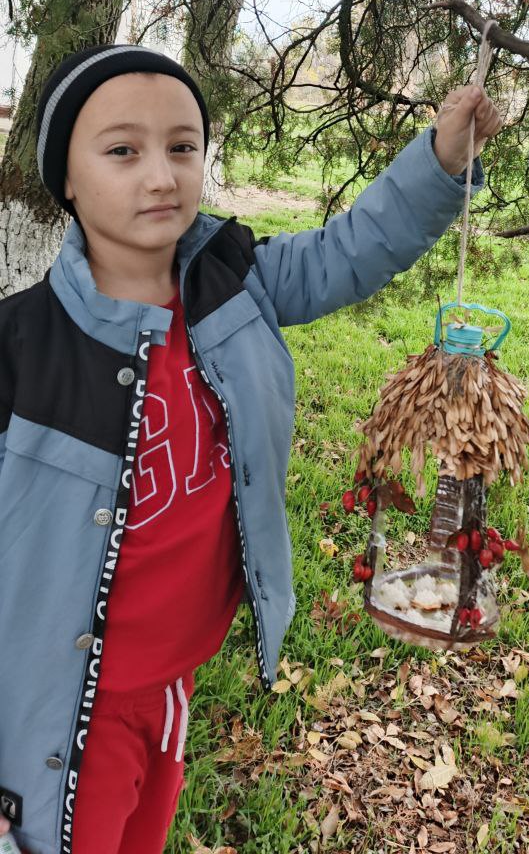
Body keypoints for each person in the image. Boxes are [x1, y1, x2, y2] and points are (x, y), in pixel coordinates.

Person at [0, 42, 501, 854]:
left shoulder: (237, 282)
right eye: (122, 151)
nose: (161, 177)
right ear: (66, 177)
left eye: (182, 147)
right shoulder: (20, 349)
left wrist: (442, 160)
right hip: (60, 715)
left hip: (173, 683)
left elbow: (349, 251)